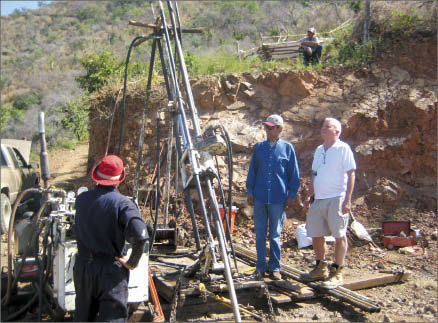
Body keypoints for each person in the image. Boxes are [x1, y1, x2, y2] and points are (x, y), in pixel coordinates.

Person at [73, 155, 148, 321]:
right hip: (110, 272)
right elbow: (141, 237)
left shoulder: (81, 200)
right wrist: (131, 263)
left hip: (83, 268)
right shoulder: (124, 204)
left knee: (82, 317)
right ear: (119, 178)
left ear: (97, 175)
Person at [301, 118, 356, 289]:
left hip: (336, 197)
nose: (323, 129)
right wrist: (310, 195)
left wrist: (347, 199)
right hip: (319, 198)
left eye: (327, 127)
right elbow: (315, 174)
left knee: (339, 235)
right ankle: (320, 267)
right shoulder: (319, 150)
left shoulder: (343, 148)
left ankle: (337, 271)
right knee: (316, 233)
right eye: (322, 126)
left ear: (337, 132)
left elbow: (351, 174)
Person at [246, 114, 300, 280]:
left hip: (278, 198)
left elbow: (293, 174)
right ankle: (261, 266)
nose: (268, 130)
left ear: (280, 129)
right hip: (260, 197)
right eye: (266, 127)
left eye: (271, 127)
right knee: (260, 234)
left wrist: (291, 195)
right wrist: (250, 191)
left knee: (275, 235)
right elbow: (253, 171)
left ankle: (275, 267)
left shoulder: (287, 148)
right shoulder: (259, 148)